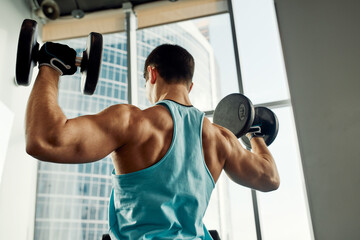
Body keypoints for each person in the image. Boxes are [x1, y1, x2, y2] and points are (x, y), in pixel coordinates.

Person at [25, 43, 280, 239]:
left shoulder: (132, 121)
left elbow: (45, 140)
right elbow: (269, 178)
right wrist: (254, 135)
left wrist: (51, 66)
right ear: (189, 87)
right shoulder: (221, 139)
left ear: (152, 74)